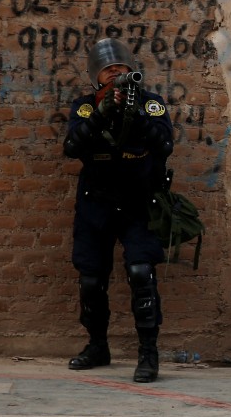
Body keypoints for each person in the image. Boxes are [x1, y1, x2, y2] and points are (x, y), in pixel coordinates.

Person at [62, 38, 173, 383]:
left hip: (140, 203)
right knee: (91, 279)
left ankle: (148, 353)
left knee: (141, 272)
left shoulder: (150, 104)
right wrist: (101, 115)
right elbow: (71, 147)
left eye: (121, 69)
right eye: (108, 70)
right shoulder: (85, 107)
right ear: (96, 76)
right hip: (96, 203)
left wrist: (135, 115)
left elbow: (165, 144)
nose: (115, 74)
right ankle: (97, 345)